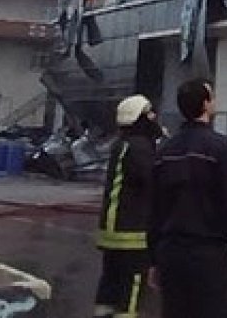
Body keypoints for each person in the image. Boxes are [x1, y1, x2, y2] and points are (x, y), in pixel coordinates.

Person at [148, 80, 227, 318]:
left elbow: (155, 209)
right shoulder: (222, 148)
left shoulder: (164, 152)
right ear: (205, 104)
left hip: (171, 252)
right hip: (209, 254)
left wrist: (153, 259)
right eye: (212, 97)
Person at [93, 95, 162, 318]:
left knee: (110, 285)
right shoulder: (140, 147)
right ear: (138, 118)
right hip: (132, 232)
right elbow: (153, 181)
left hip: (112, 231)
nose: (154, 117)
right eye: (149, 114)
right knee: (131, 290)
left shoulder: (122, 145)